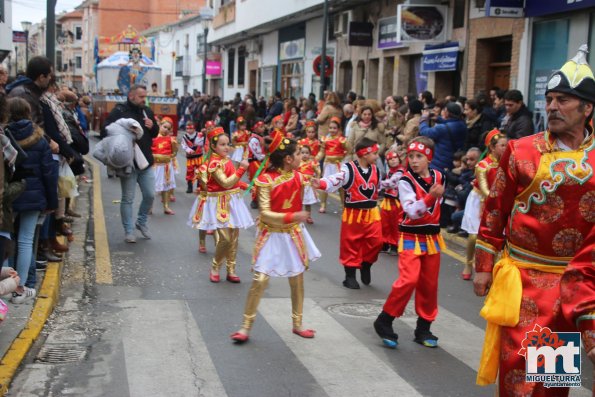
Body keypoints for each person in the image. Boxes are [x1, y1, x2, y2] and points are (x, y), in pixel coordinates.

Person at [473, 46, 595, 395]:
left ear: (587, 108)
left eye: (564, 100)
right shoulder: (521, 151)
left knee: (554, 381)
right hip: (523, 282)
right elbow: (496, 209)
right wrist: (483, 263)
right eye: (550, 98)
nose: (553, 106)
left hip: (575, 288)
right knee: (519, 377)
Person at [230, 132, 321, 343]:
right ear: (288, 159)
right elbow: (264, 213)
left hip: (292, 234)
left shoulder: (299, 176)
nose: (302, 157)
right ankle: (245, 326)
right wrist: (293, 215)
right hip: (271, 234)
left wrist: (327, 181)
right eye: (299, 153)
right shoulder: (265, 180)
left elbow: (320, 183)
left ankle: (297, 324)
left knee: (297, 278)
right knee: (260, 279)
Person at [373, 136, 445, 349]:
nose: (414, 161)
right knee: (409, 279)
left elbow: (438, 207)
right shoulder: (405, 181)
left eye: (419, 156)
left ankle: (424, 327)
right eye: (411, 156)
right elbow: (411, 211)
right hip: (411, 236)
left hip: (432, 238)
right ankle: (385, 319)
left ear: (429, 158)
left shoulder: (440, 176)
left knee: (429, 285)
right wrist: (430, 198)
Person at [313, 137, 383, 289]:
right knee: (351, 244)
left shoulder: (376, 170)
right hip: (354, 213)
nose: (377, 156)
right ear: (365, 154)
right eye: (375, 153)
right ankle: (350, 276)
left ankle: (366, 263)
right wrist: (322, 182)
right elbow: (335, 179)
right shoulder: (348, 169)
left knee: (376, 242)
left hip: (372, 213)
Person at [7, 97, 58, 303]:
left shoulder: (5, 136)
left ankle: (7, 287)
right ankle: (21, 289)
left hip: (10, 195)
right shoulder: (40, 139)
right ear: (29, 113)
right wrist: (52, 202)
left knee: (8, 241)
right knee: (26, 240)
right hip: (35, 195)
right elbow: (49, 173)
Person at [188, 127, 253, 283]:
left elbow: (233, 182)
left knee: (234, 237)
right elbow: (225, 183)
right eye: (222, 144)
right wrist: (242, 169)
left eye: (228, 144)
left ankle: (231, 269)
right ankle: (215, 266)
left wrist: (248, 186)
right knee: (225, 238)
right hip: (218, 203)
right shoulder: (214, 164)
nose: (227, 147)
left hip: (233, 201)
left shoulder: (227, 160)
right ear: (213, 146)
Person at [103, 84, 159, 243]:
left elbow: (155, 133)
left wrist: (152, 126)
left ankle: (141, 222)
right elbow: (105, 130)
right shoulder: (119, 111)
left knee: (150, 195)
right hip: (128, 162)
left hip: (146, 161)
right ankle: (128, 230)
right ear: (131, 96)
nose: (144, 99)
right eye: (141, 97)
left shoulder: (146, 111)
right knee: (128, 198)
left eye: (145, 96)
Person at [460, 129, 506, 280]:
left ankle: (493, 265)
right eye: (502, 145)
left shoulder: (507, 163)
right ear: (492, 147)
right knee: (474, 235)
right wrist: (497, 199)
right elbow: (485, 188)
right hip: (479, 200)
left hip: (497, 201)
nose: (506, 148)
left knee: (498, 236)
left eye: (506, 145)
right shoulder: (482, 165)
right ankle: (468, 263)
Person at [419, 102, 466, 171]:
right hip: (454, 160)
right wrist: (438, 119)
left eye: (444, 110)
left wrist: (423, 118)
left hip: (439, 163)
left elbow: (425, 132)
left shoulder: (442, 128)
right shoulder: (462, 124)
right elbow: (451, 124)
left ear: (447, 113)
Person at [315, 117, 347, 213]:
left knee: (341, 186)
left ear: (338, 129)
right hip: (328, 165)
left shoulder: (342, 140)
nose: (332, 130)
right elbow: (321, 152)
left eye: (334, 128)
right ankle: (323, 205)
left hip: (338, 165)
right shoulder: (325, 140)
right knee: (325, 184)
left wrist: (342, 157)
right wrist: (315, 159)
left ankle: (343, 206)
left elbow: (348, 151)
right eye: (330, 128)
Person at [379, 150, 404, 256]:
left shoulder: (400, 172)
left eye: (395, 158)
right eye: (390, 159)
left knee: (395, 225)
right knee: (384, 224)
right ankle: (384, 243)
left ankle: (395, 245)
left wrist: (376, 184)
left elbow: (391, 183)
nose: (393, 161)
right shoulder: (390, 171)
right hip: (387, 201)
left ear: (399, 159)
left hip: (396, 202)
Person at [151, 117, 178, 215]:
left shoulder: (171, 140)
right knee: (151, 187)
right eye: (164, 127)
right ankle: (149, 207)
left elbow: (174, 153)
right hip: (155, 166)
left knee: (166, 187)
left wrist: (168, 157)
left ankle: (166, 207)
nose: (166, 129)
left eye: (168, 128)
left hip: (166, 166)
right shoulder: (153, 137)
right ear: (160, 125)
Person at [297, 145, 320, 224]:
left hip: (308, 185)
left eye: (307, 153)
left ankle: (308, 217)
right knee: (297, 202)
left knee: (307, 203)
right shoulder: (297, 163)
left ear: (310, 154)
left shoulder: (312, 163)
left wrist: (316, 179)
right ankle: (297, 216)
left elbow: (318, 172)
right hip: (299, 185)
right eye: (302, 152)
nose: (304, 154)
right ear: (299, 153)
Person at [246, 120, 266, 209]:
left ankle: (260, 198)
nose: (263, 128)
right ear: (255, 128)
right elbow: (257, 152)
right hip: (255, 162)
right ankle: (254, 200)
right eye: (261, 127)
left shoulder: (259, 137)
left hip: (259, 161)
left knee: (262, 180)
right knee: (256, 181)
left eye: (263, 126)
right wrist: (264, 158)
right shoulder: (254, 139)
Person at [181, 122, 204, 193]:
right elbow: (184, 145)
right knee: (189, 172)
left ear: (194, 128)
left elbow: (201, 143)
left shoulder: (199, 135)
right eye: (187, 128)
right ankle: (189, 186)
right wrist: (189, 150)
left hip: (199, 157)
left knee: (200, 171)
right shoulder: (184, 137)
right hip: (190, 158)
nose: (189, 130)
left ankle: (199, 186)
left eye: (191, 128)